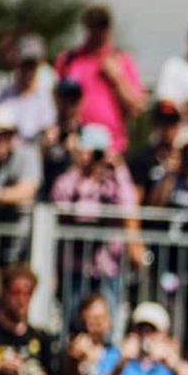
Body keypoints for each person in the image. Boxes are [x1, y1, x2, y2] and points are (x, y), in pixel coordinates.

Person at [50, 123, 142, 310]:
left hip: (107, 266)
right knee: (74, 321)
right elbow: (59, 199)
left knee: (107, 321)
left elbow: (129, 204)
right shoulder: (71, 178)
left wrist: (118, 168)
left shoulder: (113, 180)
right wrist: (78, 166)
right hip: (75, 266)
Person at [54, 4, 146, 153]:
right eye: (94, 25)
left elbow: (138, 107)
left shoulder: (122, 60)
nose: (99, 31)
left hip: (112, 148)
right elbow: (55, 100)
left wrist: (117, 79)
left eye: (103, 25)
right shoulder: (68, 60)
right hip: (75, 145)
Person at [0, 34, 56, 145]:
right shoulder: (3, 96)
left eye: (32, 65)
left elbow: (50, 129)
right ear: (17, 64)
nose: (29, 71)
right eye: (25, 65)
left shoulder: (45, 96)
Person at [128, 100, 182, 203]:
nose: (167, 129)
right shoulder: (141, 159)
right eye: (162, 123)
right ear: (154, 125)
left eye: (171, 123)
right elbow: (136, 200)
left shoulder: (187, 157)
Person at [40, 77, 85, 198]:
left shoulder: (87, 134)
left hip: (75, 201)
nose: (69, 104)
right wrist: (44, 148)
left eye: (73, 99)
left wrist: (76, 154)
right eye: (65, 98)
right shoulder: (45, 132)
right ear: (56, 99)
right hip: (47, 198)